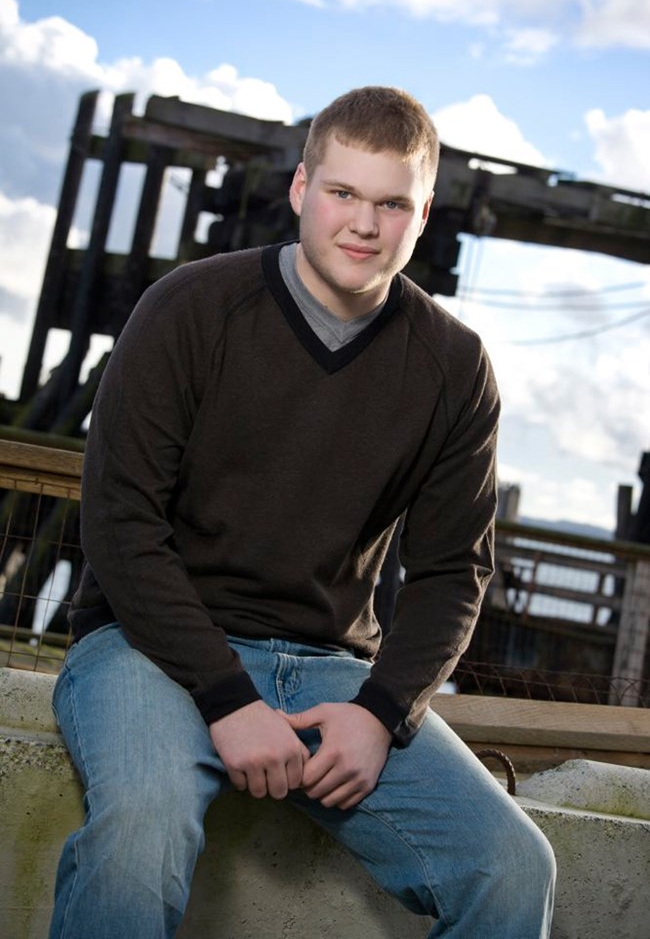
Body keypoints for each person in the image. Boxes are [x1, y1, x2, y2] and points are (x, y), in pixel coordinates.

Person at [49, 86, 555, 938]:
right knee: (140, 830)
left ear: (422, 214)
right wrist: (226, 697)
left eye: (392, 203)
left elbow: (452, 570)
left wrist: (380, 712)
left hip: (330, 675)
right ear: (300, 190)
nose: (364, 223)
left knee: (512, 866)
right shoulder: (189, 309)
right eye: (343, 193)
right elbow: (123, 526)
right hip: (147, 651)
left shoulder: (454, 366)